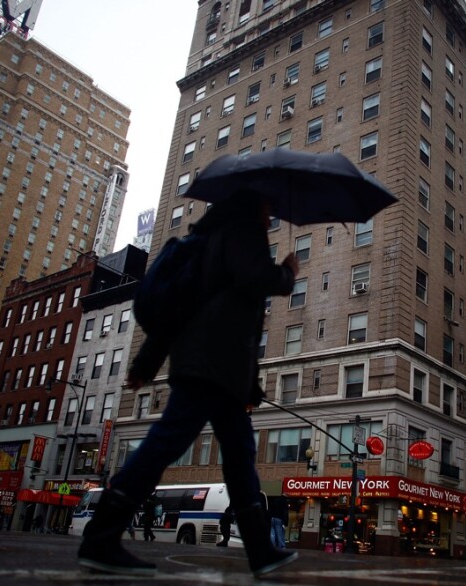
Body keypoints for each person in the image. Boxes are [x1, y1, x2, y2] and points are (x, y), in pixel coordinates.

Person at [78, 192, 300, 578]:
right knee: (170, 445)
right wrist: (286, 274)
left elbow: (189, 306)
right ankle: (100, 536)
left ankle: (262, 550)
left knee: (238, 455)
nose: (270, 213)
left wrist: (148, 360)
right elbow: (251, 280)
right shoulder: (242, 229)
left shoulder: (212, 236)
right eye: (268, 205)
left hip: (215, 365)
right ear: (255, 203)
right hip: (213, 364)